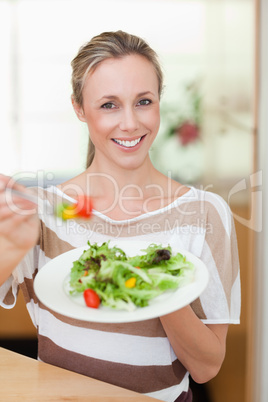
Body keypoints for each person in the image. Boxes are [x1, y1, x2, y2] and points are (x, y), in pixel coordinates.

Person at [0, 30, 240, 402]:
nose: (130, 123)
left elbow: (206, 366)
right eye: (109, 105)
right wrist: (6, 246)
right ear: (80, 109)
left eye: (143, 101)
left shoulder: (204, 214)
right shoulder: (45, 210)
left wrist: (155, 288)